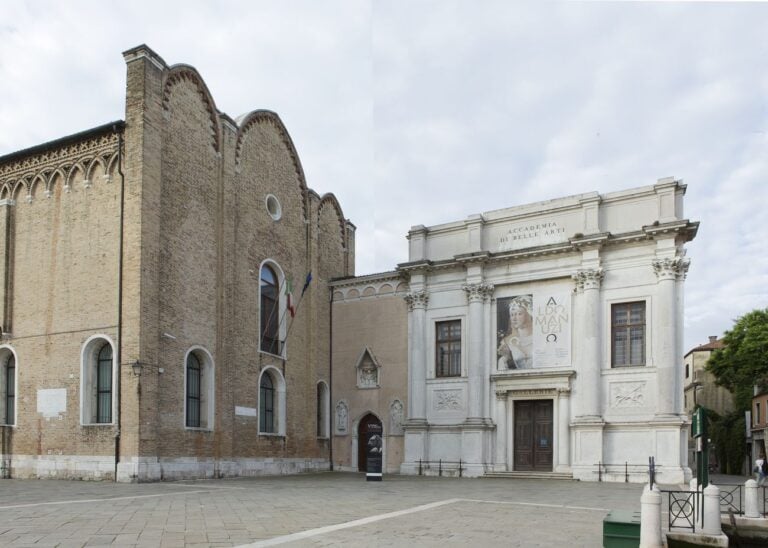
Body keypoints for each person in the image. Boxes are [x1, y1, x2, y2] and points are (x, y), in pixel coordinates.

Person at [497, 295, 534, 369]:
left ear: (529, 315)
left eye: (519, 314)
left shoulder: (541, 338)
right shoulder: (506, 342)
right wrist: (505, 359)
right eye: (512, 315)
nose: (514, 318)